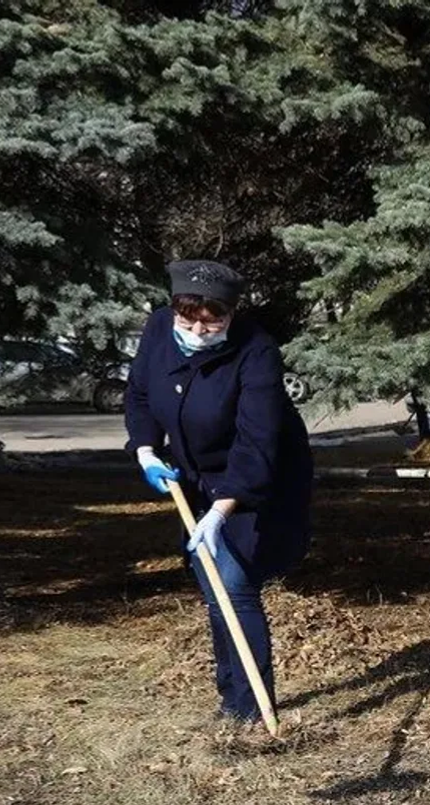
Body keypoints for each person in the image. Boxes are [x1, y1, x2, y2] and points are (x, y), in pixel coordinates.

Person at [124, 260, 314, 725]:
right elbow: (141, 395)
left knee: (232, 580)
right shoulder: (157, 330)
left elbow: (258, 441)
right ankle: (230, 700)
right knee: (212, 581)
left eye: (213, 321)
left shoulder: (257, 352)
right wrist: (146, 450)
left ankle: (251, 710)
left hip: (259, 474)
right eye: (188, 321)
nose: (199, 331)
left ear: (231, 313)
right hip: (192, 475)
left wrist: (222, 510)